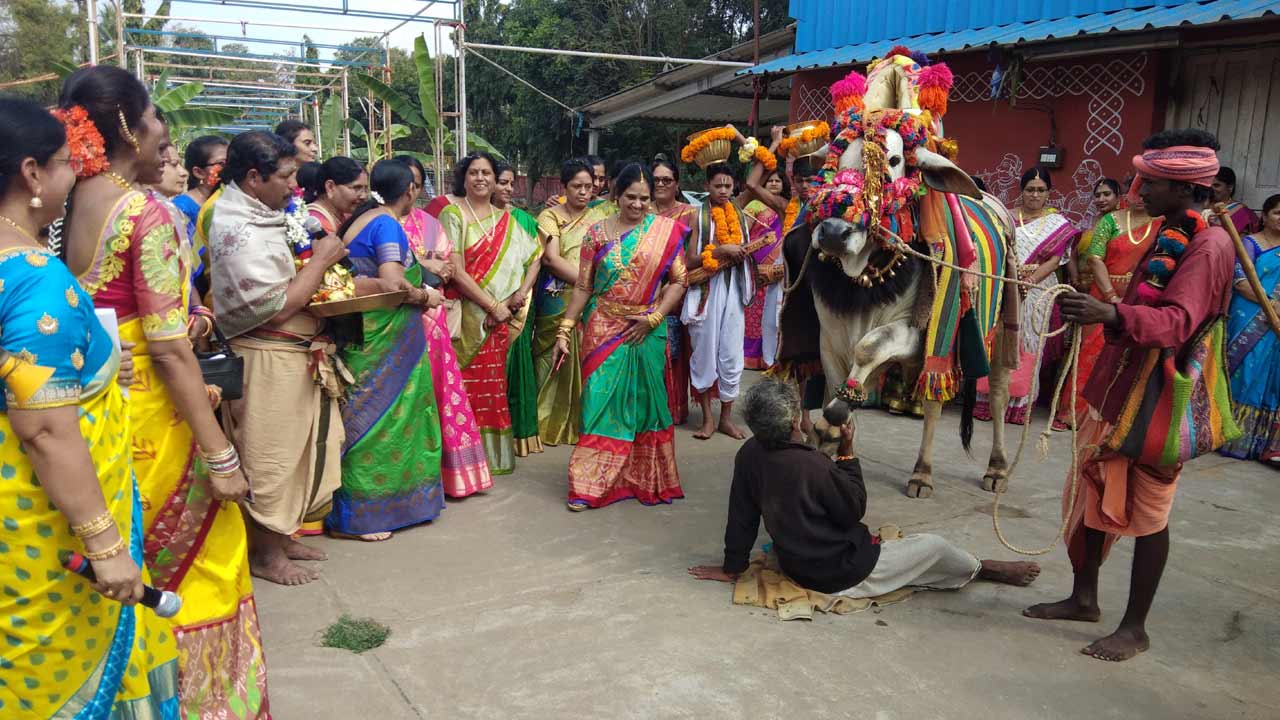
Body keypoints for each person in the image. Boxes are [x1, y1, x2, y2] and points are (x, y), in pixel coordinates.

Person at [56, 67, 268, 717]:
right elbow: (173, 350)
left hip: (99, 420)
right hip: (161, 421)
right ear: (127, 125)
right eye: (155, 119)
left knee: (135, 578)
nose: (162, 132)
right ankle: (210, 704)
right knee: (204, 571)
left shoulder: (68, 204)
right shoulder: (146, 213)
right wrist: (222, 458)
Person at [0, 94, 182, 720]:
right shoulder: (30, 276)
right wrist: (105, 548)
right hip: (39, 532)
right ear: (30, 174)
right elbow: (46, 430)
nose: (73, 173)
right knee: (50, 684)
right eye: (61, 162)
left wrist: (99, 369)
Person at [1024, 129, 1235, 662]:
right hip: (1119, 381)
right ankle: (1084, 598)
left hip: (1160, 396)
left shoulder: (1209, 245)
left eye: (1152, 181)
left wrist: (1110, 313)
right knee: (1092, 490)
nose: (1138, 189)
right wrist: (1104, 312)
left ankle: (1135, 628)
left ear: (1184, 189)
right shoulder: (1170, 230)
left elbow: (1178, 322)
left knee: (1149, 512)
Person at [687, 381, 1041, 596]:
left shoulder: (749, 454)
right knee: (933, 547)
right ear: (796, 421)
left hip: (798, 564)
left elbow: (741, 516)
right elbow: (853, 510)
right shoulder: (813, 464)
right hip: (842, 572)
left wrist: (732, 567)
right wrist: (848, 454)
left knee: (909, 555)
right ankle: (984, 567)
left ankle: (964, 569)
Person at [207, 130, 349, 586]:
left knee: (298, 453)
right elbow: (277, 304)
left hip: (296, 354)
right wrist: (322, 261)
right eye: (287, 176)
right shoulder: (237, 226)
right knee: (269, 458)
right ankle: (264, 554)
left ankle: (282, 536)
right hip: (266, 357)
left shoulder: (270, 214)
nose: (295, 186)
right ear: (253, 177)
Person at [552, 162, 688, 510]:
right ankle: (588, 485)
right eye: (631, 197)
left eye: (645, 198)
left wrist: (654, 318)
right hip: (601, 328)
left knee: (644, 405)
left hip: (647, 329)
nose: (639, 204)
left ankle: (640, 477)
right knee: (598, 404)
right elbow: (583, 286)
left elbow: (679, 281)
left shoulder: (666, 231)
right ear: (616, 194)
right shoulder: (596, 233)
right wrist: (565, 329)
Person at [328, 159, 446, 540]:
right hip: (384, 337)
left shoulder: (359, 220)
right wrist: (425, 295)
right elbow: (394, 284)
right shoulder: (385, 223)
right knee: (381, 422)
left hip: (368, 334)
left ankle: (381, 507)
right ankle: (369, 515)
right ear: (410, 190)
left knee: (366, 419)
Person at [396, 155, 494, 497]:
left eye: (416, 185)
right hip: (395, 323)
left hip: (432, 320)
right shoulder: (376, 222)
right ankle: (409, 480)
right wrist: (423, 263)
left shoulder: (430, 223)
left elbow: (449, 267)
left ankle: (453, 477)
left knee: (442, 396)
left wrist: (432, 267)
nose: (409, 191)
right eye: (404, 184)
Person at [440, 152, 542, 475]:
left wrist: (518, 295)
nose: (481, 178)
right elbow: (455, 271)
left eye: (487, 173)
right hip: (467, 318)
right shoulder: (453, 214)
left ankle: (489, 460)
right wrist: (492, 306)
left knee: (493, 388)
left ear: (495, 180)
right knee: (463, 389)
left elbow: (536, 256)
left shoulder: (507, 220)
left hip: (498, 322)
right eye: (474, 172)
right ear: (464, 177)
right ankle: (462, 465)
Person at [975, 166, 1078, 425]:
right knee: (998, 340)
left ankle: (1019, 404)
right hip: (1004, 284)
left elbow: (1055, 261)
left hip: (1038, 290)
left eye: (1040, 190)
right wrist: (1012, 279)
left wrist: (1029, 281)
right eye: (1030, 189)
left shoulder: (1058, 224)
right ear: (1022, 191)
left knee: (1031, 344)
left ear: (1048, 193)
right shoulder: (1005, 216)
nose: (1035, 195)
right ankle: (987, 401)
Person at [1052, 183, 1159, 431]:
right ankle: (1073, 412)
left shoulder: (1163, 224)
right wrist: (1111, 297)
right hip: (1102, 298)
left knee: (1131, 357)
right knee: (1090, 353)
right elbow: (1094, 257)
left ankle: (1121, 418)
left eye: (1146, 192)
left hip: (1142, 300)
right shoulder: (1111, 221)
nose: (1141, 197)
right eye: (1137, 192)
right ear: (1128, 194)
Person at [682, 163, 754, 440]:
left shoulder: (738, 209)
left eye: (728, 185)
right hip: (706, 290)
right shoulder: (696, 215)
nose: (724, 191)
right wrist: (721, 250)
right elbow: (689, 261)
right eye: (717, 186)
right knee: (704, 351)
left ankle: (726, 418)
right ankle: (707, 419)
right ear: (706, 187)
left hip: (734, 289)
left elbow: (756, 180)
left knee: (732, 353)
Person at [533, 158, 596, 446]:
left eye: (588, 186)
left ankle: (583, 421)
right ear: (564, 187)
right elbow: (551, 259)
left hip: (591, 301)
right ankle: (542, 420)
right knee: (548, 353)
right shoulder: (550, 216)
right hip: (558, 297)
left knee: (586, 357)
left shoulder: (601, 216)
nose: (583, 192)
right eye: (576, 186)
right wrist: (590, 285)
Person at [1220, 193, 1280, 464]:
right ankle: (1226, 434)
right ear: (1265, 216)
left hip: (1276, 325)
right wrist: (1270, 303)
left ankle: (1259, 443)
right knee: (1243, 375)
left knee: (1268, 380)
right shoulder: (1249, 244)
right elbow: (1239, 279)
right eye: (1277, 213)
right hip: (1249, 318)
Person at [492, 160, 544, 457]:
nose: (508, 188)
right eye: (503, 182)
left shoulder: (524, 220)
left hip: (520, 305)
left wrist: (522, 293)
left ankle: (520, 435)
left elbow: (536, 259)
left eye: (512, 183)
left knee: (517, 366)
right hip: (487, 305)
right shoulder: (476, 219)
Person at [734, 126, 788, 370]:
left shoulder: (794, 207)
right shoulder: (780, 205)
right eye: (798, 181)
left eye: (807, 181)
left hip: (792, 275)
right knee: (765, 320)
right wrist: (775, 144)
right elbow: (753, 184)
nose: (803, 186)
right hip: (765, 274)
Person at [651, 157, 697, 424]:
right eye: (656, 180)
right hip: (645, 289)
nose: (661, 184)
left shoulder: (689, 213)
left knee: (676, 348)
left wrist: (672, 283)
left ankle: (672, 407)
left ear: (677, 184)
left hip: (676, 288)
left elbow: (693, 256)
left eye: (666, 180)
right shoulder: (643, 210)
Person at [1065, 178, 1123, 292]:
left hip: (1110, 287)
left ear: (1118, 197)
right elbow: (1071, 252)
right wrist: (1075, 280)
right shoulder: (1087, 223)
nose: (1101, 199)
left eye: (1107, 194)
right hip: (1082, 287)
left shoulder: (1124, 223)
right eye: (1097, 196)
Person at [173, 134, 228, 237]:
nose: (230, 168)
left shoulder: (229, 198)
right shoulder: (181, 207)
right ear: (199, 172)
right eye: (222, 164)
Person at [303, 156, 368, 235]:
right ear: (330, 187)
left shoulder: (344, 214)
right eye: (357, 188)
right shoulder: (314, 222)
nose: (364, 196)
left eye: (366, 189)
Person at [1207, 166, 1260, 236]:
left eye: (1216, 185)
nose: (1211, 188)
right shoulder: (1199, 207)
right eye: (1208, 185)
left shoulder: (1242, 212)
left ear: (1230, 187)